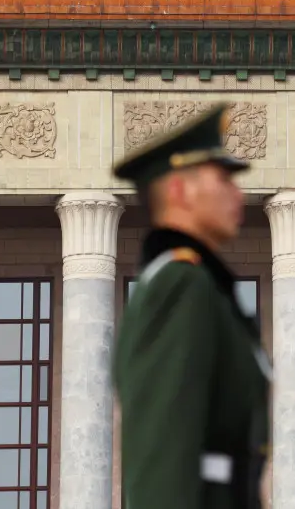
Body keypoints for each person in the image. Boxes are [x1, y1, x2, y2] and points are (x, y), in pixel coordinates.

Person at [112, 103, 270, 508]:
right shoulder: (179, 286)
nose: (239, 194)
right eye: (223, 180)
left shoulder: (203, 286)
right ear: (180, 190)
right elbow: (162, 456)